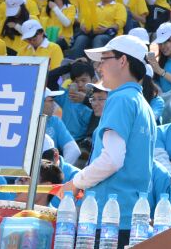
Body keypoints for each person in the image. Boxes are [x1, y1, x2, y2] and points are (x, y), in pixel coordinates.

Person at [63, 35, 157, 247]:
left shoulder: (120, 99)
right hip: (130, 218)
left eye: (104, 59)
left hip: (108, 218)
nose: (99, 66)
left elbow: (112, 160)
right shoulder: (142, 104)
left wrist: (76, 183)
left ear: (123, 60)